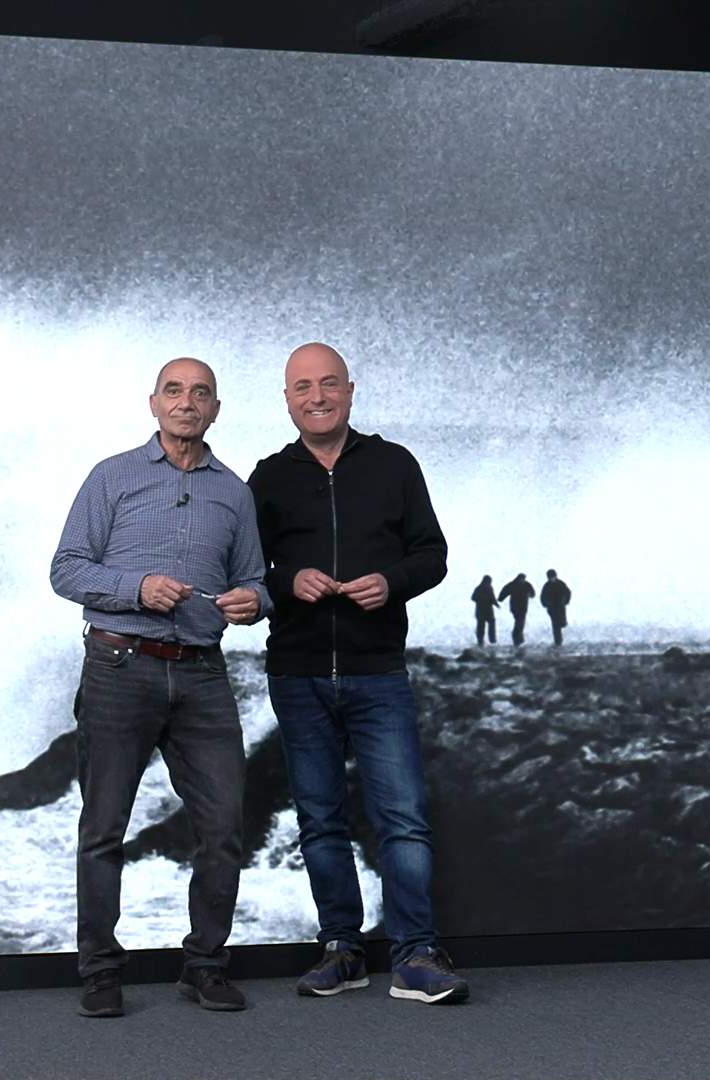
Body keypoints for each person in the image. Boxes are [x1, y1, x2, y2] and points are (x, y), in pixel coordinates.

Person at [49, 357, 271, 1019]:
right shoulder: (110, 477)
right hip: (119, 668)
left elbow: (258, 581)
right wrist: (135, 588)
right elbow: (65, 570)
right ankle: (100, 972)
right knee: (103, 829)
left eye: (200, 393)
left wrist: (253, 602)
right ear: (154, 403)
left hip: (202, 674)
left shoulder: (234, 492)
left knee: (224, 828)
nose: (186, 402)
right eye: (174, 391)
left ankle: (205, 966)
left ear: (215, 409)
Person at [248, 341, 468, 1005]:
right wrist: (289, 579)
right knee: (320, 820)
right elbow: (244, 572)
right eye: (302, 387)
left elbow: (433, 554)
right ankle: (342, 948)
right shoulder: (267, 478)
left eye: (328, 385)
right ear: (286, 399)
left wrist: (391, 582)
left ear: (350, 390)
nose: (316, 397)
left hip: (378, 673)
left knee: (402, 817)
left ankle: (415, 955)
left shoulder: (395, 465)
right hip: (298, 672)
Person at [497, 573, 535, 647]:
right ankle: (517, 639)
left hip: (522, 607)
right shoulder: (514, 584)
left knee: (520, 622)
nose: (522, 580)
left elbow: (533, 594)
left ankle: (518, 639)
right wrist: (500, 598)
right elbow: (504, 592)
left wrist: (530, 595)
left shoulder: (525, 585)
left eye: (523, 579)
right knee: (519, 622)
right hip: (516, 608)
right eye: (521, 579)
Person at [540, 569, 572, 647]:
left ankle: (559, 640)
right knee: (555, 625)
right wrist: (545, 604)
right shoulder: (547, 585)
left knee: (562, 623)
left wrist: (566, 601)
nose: (551, 579)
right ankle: (558, 641)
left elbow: (568, 592)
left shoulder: (561, 584)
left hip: (560, 607)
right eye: (550, 577)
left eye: (552, 577)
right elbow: (543, 596)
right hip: (552, 608)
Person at [471, 575, 498, 647]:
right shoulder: (478, 588)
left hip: (489, 610)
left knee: (492, 624)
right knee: (481, 627)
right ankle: (480, 641)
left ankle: (492, 640)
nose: (489, 583)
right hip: (481, 611)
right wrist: (482, 599)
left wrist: (496, 604)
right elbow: (473, 598)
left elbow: (492, 598)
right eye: (488, 581)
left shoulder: (490, 588)